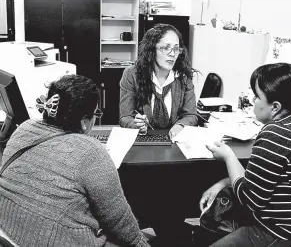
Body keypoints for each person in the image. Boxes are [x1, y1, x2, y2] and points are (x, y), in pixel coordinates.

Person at [0, 75, 150, 247]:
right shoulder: (91, 150)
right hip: (54, 238)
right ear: (85, 122)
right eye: (95, 114)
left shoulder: (24, 128)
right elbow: (119, 220)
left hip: (10, 233)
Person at [200, 63, 291, 247]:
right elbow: (265, 178)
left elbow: (249, 199)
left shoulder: (276, 132)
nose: (252, 101)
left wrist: (228, 156)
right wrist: (224, 181)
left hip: (286, 236)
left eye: (256, 97)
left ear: (275, 107)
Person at [119, 23, 198, 138]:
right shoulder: (132, 74)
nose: (172, 54)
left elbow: (191, 115)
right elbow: (124, 117)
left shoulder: (183, 76)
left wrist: (180, 126)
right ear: (151, 50)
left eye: (176, 49)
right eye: (166, 48)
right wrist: (135, 125)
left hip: (173, 141)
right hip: (142, 141)